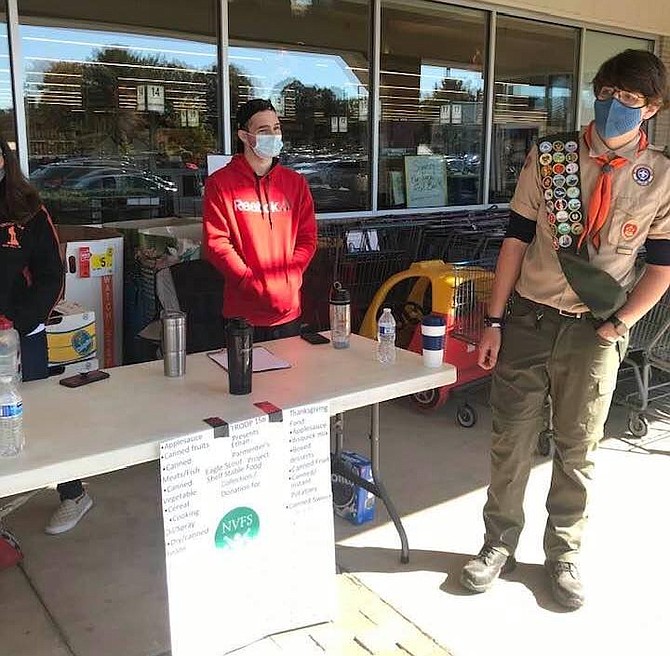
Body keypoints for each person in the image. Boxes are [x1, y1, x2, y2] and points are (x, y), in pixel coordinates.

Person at [460, 50, 670, 609]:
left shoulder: (663, 176)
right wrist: (495, 321)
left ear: (650, 108)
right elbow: (514, 241)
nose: (614, 106)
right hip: (528, 318)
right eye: (607, 92)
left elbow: (662, 268)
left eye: (629, 99)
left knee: (578, 449)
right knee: (511, 439)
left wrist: (619, 325)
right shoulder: (551, 156)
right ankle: (496, 544)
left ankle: (563, 553)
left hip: (594, 332)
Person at [0, 138, 93, 534]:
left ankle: (73, 493)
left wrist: (18, 321)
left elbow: (51, 276)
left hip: (18, 336)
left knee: (39, 417)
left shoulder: (28, 211)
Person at [203, 99, 317, 342]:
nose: (274, 136)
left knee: (290, 379)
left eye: (276, 128)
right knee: (244, 380)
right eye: (264, 131)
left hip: (288, 313)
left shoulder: (295, 184)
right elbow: (217, 244)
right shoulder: (220, 184)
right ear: (244, 136)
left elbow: (307, 239)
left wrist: (292, 277)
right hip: (242, 315)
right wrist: (251, 282)